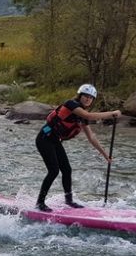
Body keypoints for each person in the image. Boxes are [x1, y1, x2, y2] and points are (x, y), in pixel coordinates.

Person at [35, 83, 121, 212]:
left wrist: (105, 155)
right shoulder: (71, 104)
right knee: (53, 170)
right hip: (44, 138)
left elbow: (91, 137)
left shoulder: (82, 116)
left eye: (91, 98)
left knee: (67, 170)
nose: (88, 99)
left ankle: (69, 200)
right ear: (80, 96)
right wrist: (111, 113)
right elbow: (89, 116)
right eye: (85, 96)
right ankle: (40, 203)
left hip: (54, 141)